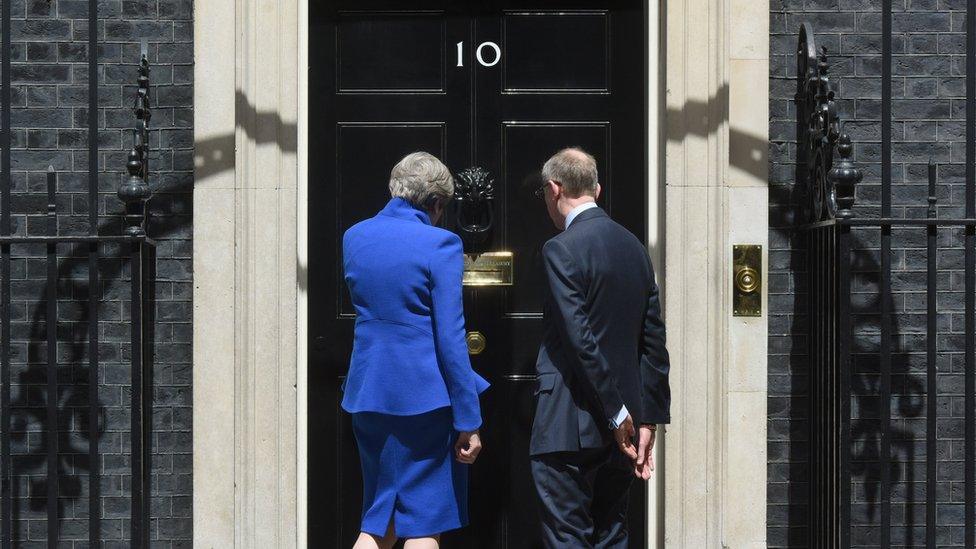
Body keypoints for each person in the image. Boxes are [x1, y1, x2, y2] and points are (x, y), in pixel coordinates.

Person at [341, 152, 490, 549]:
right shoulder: (440, 243)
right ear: (436, 203)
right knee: (424, 522)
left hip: (369, 394)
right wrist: (469, 418)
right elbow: (450, 337)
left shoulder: (354, 236)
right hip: (424, 400)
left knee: (378, 518)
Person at [529, 147, 671, 548]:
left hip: (568, 424)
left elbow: (579, 338)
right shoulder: (635, 249)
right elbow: (654, 342)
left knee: (567, 537)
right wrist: (647, 420)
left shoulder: (561, 248)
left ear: (554, 189)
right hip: (623, 432)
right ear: (597, 189)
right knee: (612, 535)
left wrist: (617, 414)